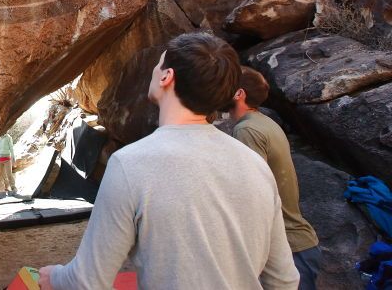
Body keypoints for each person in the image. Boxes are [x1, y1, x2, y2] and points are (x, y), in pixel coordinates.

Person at [38, 32, 299, 290]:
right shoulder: (256, 166)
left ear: (166, 76)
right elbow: (284, 280)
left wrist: (54, 277)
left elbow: (87, 281)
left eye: (159, 63)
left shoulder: (130, 165)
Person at [229, 66, 321, 290]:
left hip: (288, 248)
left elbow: (253, 194)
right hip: (299, 245)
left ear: (239, 93)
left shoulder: (247, 131)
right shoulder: (264, 123)